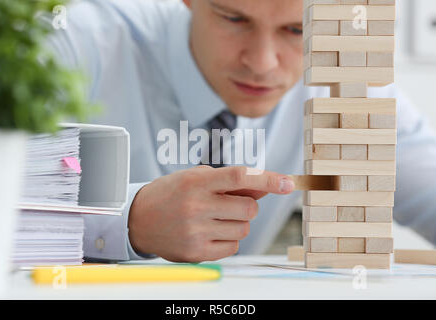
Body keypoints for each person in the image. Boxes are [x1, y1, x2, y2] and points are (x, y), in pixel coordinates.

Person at [47, 0, 436, 263]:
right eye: (234, 19)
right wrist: (128, 219)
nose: (262, 64)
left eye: (298, 30)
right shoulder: (74, 41)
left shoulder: (341, 75)